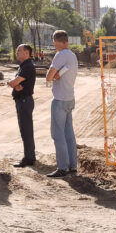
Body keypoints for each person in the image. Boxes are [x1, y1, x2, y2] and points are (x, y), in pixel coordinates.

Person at [46, 29, 79, 177]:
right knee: (69, 134)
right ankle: (72, 165)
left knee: (57, 134)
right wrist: (57, 75)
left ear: (56, 42)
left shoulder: (60, 55)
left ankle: (62, 167)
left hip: (59, 99)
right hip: (69, 98)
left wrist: (54, 75)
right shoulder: (72, 55)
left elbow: (48, 77)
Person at [9, 43, 37, 167]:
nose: (17, 53)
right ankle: (30, 155)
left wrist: (13, 83)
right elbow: (15, 83)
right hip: (22, 100)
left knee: (26, 130)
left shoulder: (27, 66)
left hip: (24, 101)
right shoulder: (24, 66)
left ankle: (29, 158)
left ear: (26, 53)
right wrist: (15, 84)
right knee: (25, 130)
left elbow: (13, 82)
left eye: (19, 51)